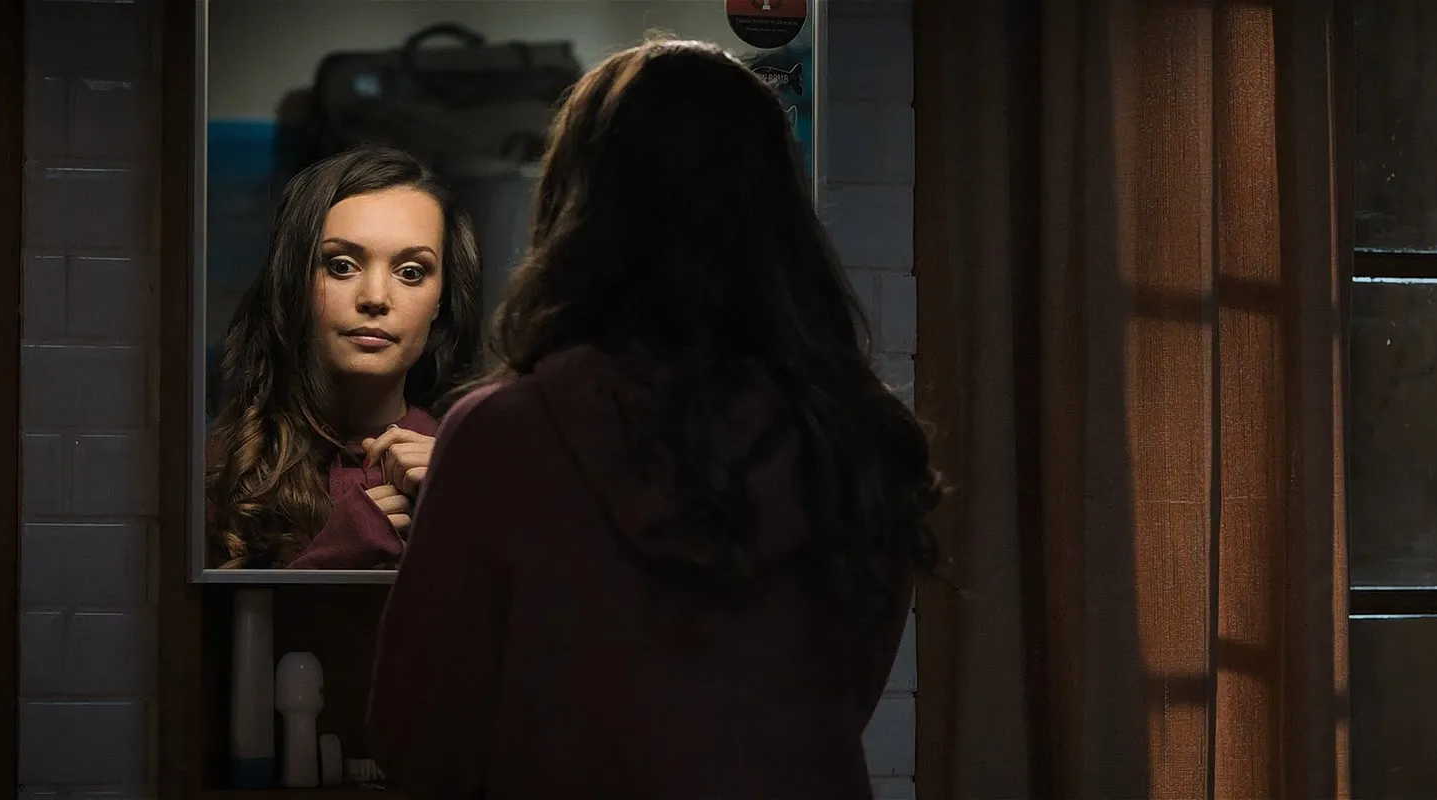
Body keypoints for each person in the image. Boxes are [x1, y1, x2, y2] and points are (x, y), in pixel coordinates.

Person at [366, 39, 943, 799]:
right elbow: (839, 703)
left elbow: (415, 735)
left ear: (577, 210)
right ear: (776, 214)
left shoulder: (505, 436)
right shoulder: (858, 439)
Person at [205, 145, 483, 570]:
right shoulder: (224, 467)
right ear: (296, 282)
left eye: (411, 272)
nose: (375, 298)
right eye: (341, 266)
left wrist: (465, 503)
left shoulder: (474, 468)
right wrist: (333, 557)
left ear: (440, 300)